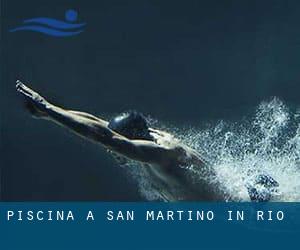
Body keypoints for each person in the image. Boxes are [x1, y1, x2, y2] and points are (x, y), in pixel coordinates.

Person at [15, 80, 277, 201]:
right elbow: (99, 126)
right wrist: (51, 113)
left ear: (132, 140)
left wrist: (48, 109)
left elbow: (105, 137)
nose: (111, 151)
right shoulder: (146, 139)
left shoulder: (161, 154)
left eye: (115, 146)